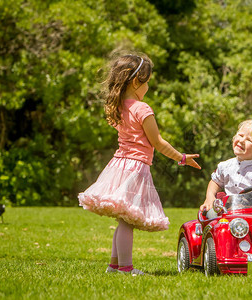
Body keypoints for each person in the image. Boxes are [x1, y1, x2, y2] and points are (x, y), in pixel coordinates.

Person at [78, 53, 201, 276]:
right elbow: (158, 142)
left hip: (118, 166)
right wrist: (182, 158)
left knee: (122, 219)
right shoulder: (142, 109)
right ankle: (126, 268)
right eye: (147, 83)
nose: (148, 88)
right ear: (136, 82)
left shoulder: (117, 106)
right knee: (127, 221)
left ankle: (114, 266)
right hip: (135, 169)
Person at [200, 119, 252, 216]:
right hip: (226, 212)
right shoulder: (225, 166)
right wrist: (210, 197)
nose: (241, 140)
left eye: (249, 140)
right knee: (208, 216)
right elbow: (215, 182)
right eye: (240, 135)